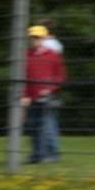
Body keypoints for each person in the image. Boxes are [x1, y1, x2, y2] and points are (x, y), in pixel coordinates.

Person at [21, 24, 65, 164]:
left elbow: (60, 76)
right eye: (32, 37)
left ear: (43, 38)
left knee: (48, 126)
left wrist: (50, 89)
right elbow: (23, 77)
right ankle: (37, 155)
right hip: (31, 97)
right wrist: (24, 95)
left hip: (47, 97)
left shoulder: (53, 55)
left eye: (37, 37)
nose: (34, 40)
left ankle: (53, 154)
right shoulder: (26, 56)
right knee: (34, 126)